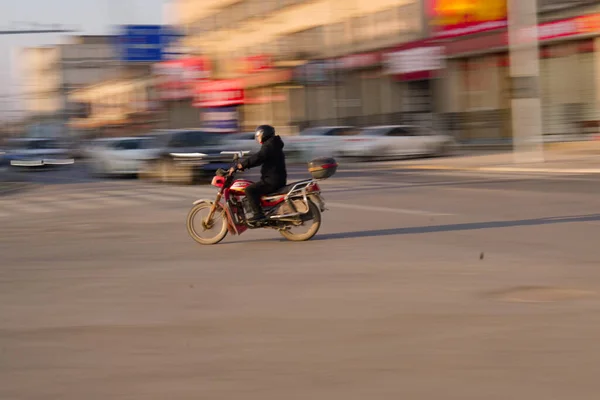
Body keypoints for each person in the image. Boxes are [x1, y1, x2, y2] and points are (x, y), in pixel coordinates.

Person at [229, 124, 287, 225]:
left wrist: (241, 165)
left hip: (272, 181)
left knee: (249, 190)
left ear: (264, 134)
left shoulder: (269, 145)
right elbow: (260, 159)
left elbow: (259, 157)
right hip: (275, 178)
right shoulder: (273, 144)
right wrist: (245, 166)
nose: (258, 138)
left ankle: (258, 214)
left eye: (259, 136)